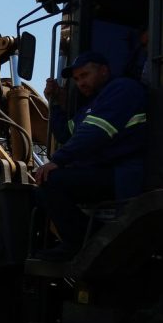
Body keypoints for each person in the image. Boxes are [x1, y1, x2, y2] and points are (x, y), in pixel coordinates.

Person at [36, 51, 148, 259]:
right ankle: (87, 234)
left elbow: (96, 133)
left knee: (51, 181)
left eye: (85, 75)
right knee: (39, 190)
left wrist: (57, 161)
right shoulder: (91, 107)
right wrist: (54, 102)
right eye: (77, 79)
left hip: (121, 174)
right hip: (102, 172)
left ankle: (81, 242)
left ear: (104, 71)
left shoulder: (123, 89)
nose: (80, 83)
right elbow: (65, 133)